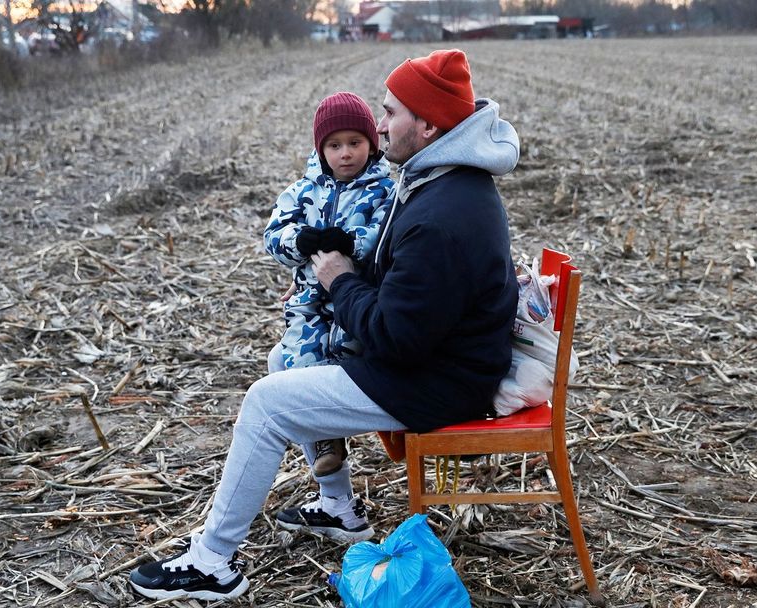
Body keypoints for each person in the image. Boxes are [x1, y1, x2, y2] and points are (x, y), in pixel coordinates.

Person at [129, 49, 520, 602]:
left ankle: (212, 560)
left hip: (436, 382)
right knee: (281, 361)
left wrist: (338, 279)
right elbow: (407, 292)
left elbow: (396, 337)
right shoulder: (445, 183)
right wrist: (330, 282)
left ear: (429, 124)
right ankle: (338, 508)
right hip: (439, 360)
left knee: (267, 402)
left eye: (390, 113)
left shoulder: (443, 213)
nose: (379, 126)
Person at [263, 91, 394, 477]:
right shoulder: (302, 192)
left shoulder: (383, 191)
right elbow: (273, 235)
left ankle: (338, 425)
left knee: (345, 355)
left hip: (355, 300)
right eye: (334, 145)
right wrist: (297, 242)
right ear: (321, 150)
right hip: (309, 302)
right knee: (301, 359)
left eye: (355, 143)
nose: (346, 154)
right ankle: (325, 440)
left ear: (371, 144)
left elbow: (383, 235)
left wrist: (353, 242)